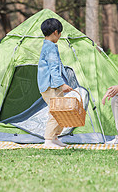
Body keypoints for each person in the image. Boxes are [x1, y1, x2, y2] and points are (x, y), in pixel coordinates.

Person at [37, 18, 73, 149]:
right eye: (60, 33)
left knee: (60, 110)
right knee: (56, 112)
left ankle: (56, 137)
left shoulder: (47, 45)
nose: (60, 36)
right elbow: (53, 69)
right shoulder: (51, 48)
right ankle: (48, 140)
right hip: (50, 85)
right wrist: (61, 84)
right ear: (56, 32)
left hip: (52, 85)